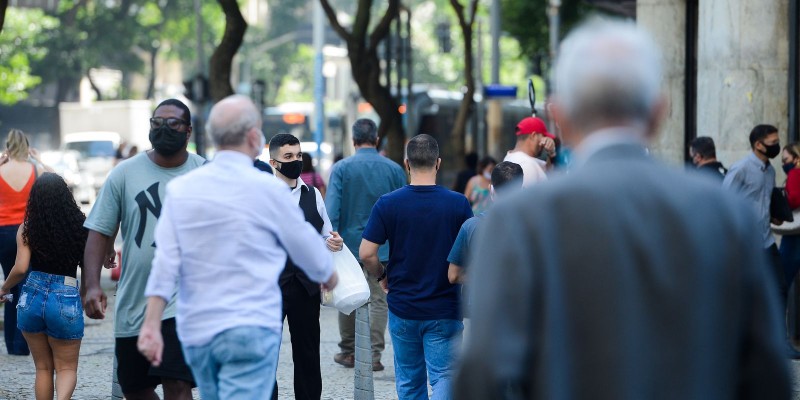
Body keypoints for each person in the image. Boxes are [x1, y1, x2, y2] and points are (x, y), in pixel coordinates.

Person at [455, 19, 790, 399]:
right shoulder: (725, 213)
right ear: (658, 112)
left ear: (561, 117)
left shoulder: (517, 218)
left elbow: (483, 375)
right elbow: (765, 374)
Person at [137, 95, 337, 400]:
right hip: (250, 325)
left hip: (198, 328)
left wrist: (151, 323)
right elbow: (311, 252)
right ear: (254, 137)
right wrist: (329, 274)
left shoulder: (183, 190)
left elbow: (166, 263)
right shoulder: (270, 191)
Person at [82, 99, 205, 400]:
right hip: (135, 300)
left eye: (173, 124)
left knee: (178, 383)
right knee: (135, 388)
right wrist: (92, 284)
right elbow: (99, 230)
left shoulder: (206, 173)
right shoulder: (123, 174)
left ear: (188, 131)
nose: (163, 129)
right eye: (157, 123)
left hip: (186, 301)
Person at [360, 134, 473, 400]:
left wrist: (382, 276)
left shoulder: (388, 203)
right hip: (445, 307)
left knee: (410, 381)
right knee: (445, 376)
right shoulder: (458, 204)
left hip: (403, 306)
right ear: (439, 163)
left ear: (406, 163)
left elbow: (367, 253)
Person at [268, 133, 344, 400]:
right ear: (273, 162)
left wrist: (333, 242)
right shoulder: (261, 194)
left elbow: (326, 234)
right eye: (288, 157)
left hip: (305, 287)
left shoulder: (312, 194)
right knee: (265, 356)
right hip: (269, 287)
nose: (296, 161)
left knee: (308, 354)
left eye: (298, 155)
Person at [326, 118, 406, 372]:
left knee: (346, 295)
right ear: (377, 139)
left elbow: (331, 211)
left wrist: (331, 243)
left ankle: (349, 351)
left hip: (348, 247)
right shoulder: (394, 169)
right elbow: (403, 210)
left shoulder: (341, 168)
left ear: (353, 140)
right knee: (380, 299)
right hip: (382, 248)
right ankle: (373, 354)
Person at [0, 173, 87, 400]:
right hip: (65, 295)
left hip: (32, 296)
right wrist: (87, 296)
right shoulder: (81, 228)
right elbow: (88, 272)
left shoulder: (27, 228)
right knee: (66, 368)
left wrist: (4, 288)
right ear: (66, 196)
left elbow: (20, 268)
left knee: (43, 368)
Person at [0, 128, 51, 356]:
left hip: (2, 233)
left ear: (8, 147)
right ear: (27, 146)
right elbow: (59, 182)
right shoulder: (35, 169)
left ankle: (12, 345)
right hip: (28, 232)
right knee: (27, 287)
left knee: (10, 286)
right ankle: (23, 345)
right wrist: (40, 160)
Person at [448, 161, 523, 285]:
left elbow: (453, 275)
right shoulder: (534, 226)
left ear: (491, 189)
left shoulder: (470, 226)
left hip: (481, 303)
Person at [503, 116, 556, 186]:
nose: (545, 140)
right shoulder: (527, 164)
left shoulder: (510, 157)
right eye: (543, 136)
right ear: (533, 136)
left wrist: (551, 153)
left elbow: (548, 171)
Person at [780, 143, 800, 301]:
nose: (783, 164)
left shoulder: (795, 173)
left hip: (795, 235)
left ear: (796, 158)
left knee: (780, 284)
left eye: (785, 159)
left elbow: (793, 200)